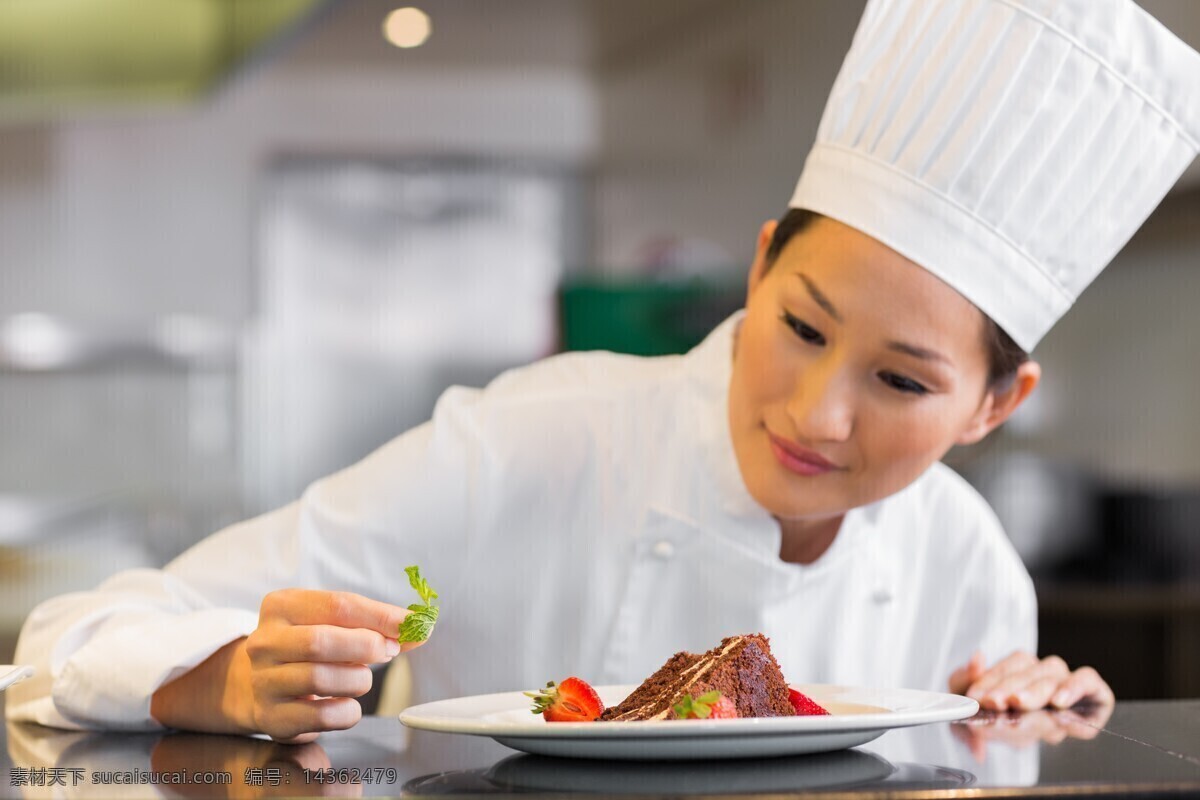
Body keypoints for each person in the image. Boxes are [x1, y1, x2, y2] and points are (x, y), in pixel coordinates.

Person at [10, 0, 1199, 744]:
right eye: (799, 324)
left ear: (998, 404)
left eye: (901, 382)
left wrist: (1021, 732)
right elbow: (76, 632)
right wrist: (221, 678)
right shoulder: (534, 442)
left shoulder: (965, 563)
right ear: (759, 264)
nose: (814, 410)